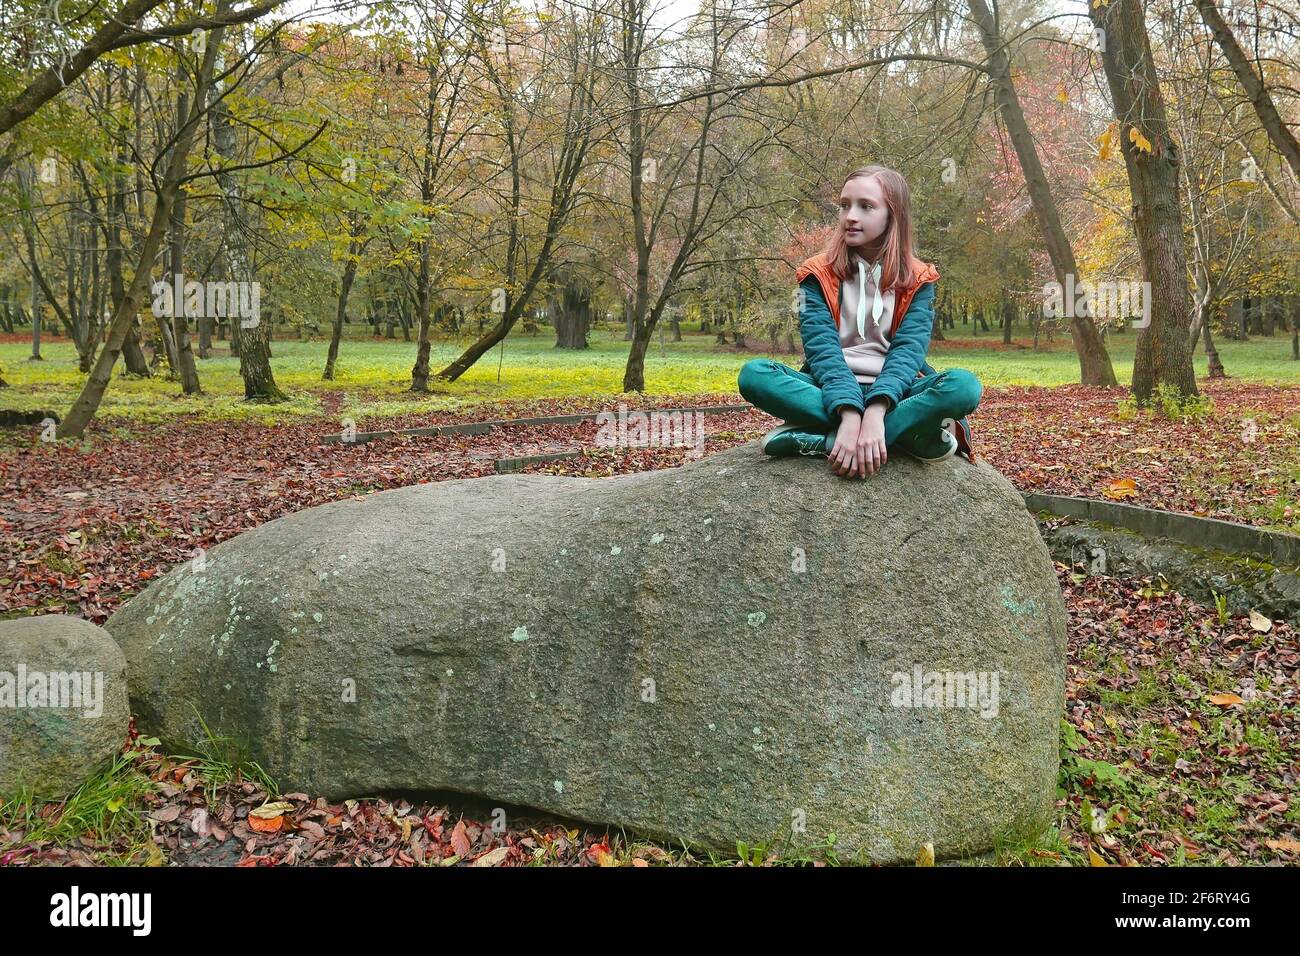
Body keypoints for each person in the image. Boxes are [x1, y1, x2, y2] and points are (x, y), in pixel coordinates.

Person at [737, 164, 983, 479]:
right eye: (845, 206)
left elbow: (909, 351)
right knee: (755, 375)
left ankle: (828, 439)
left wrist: (877, 411)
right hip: (827, 388)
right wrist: (851, 413)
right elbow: (822, 350)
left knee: (964, 387)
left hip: (899, 391)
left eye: (866, 206)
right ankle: (906, 436)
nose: (850, 216)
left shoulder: (919, 278)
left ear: (893, 216)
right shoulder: (816, 274)